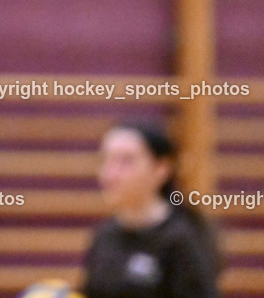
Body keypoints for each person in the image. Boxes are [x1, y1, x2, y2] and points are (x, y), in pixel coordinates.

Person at [81, 122, 220, 297]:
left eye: (126, 161)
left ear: (161, 169)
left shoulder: (182, 240)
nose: (111, 173)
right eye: (106, 160)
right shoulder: (104, 235)